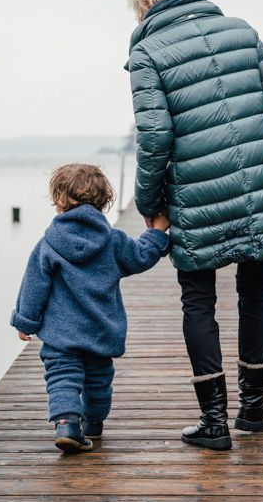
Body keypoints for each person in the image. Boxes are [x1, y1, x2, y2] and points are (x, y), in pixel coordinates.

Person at [125, 0, 263, 451]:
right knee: (256, 289)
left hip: (196, 193)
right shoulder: (242, 31)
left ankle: (213, 422)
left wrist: (149, 203)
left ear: (145, 5)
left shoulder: (147, 52)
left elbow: (155, 135)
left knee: (198, 299)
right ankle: (252, 408)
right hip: (260, 180)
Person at [10, 162, 170, 453]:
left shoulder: (49, 244)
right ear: (104, 202)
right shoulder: (114, 241)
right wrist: (158, 232)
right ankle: (93, 424)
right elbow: (141, 256)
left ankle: (67, 424)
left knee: (62, 378)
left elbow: (34, 284)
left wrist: (25, 321)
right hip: (100, 330)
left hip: (61, 333)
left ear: (59, 201)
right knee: (99, 382)